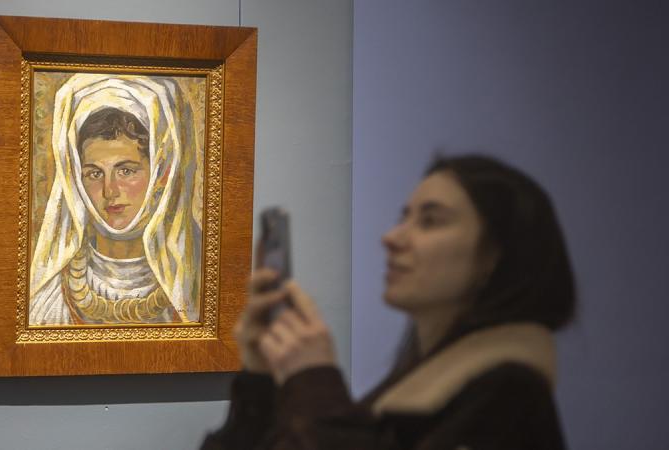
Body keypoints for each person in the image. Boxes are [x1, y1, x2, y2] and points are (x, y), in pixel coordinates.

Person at [201, 154, 575, 449]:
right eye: (405, 218)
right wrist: (261, 379)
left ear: (495, 255)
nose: (391, 238)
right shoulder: (415, 385)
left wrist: (313, 378)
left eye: (430, 221)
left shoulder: (509, 397)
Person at [29, 74, 203, 326]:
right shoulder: (49, 298)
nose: (110, 191)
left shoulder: (200, 279)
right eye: (94, 174)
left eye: (126, 171)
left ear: (161, 173)